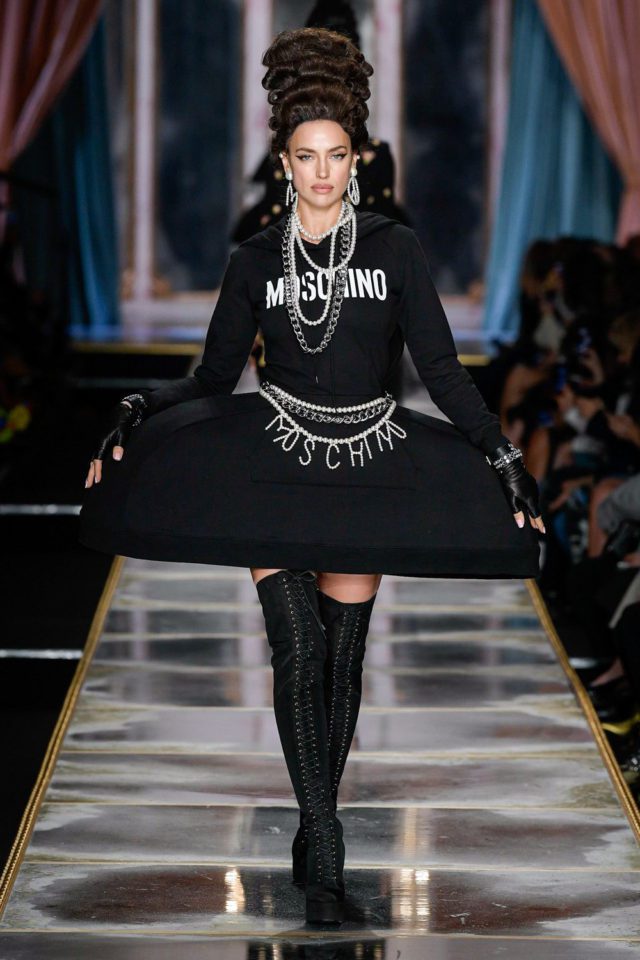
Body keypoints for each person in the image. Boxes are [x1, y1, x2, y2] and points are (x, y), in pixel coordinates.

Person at [79, 27, 544, 925]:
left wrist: (503, 456)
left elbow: (442, 373)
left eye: (336, 155)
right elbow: (214, 376)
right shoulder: (255, 260)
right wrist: (141, 406)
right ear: (283, 162)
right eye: (306, 156)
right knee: (297, 650)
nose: (322, 172)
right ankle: (324, 847)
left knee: (341, 662)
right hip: (273, 462)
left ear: (356, 158)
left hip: (369, 461)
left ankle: (313, 823)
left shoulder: (395, 249)